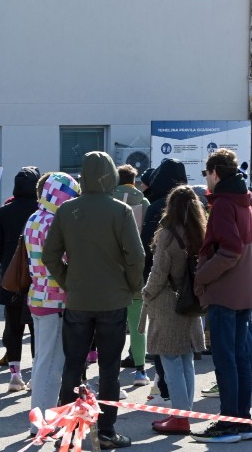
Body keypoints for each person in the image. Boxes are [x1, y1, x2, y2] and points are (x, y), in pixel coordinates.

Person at [42, 151, 145, 450]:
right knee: (110, 369)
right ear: (111, 175)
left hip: (78, 300)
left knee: (72, 366)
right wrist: (130, 286)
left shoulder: (66, 210)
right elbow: (136, 257)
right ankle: (107, 432)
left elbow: (49, 255)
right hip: (113, 300)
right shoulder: (121, 210)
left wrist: (67, 281)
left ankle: (70, 431)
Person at [191, 148, 252, 444]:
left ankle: (230, 423)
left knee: (226, 360)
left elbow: (229, 250)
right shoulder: (246, 202)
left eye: (206, 173)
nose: (205, 179)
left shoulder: (222, 204)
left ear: (215, 173)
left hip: (225, 292)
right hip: (244, 290)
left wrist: (200, 277)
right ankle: (242, 422)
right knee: (240, 359)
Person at [139, 185, 206, 435]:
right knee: (186, 358)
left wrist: (146, 293)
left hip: (168, 303)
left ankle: (179, 417)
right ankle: (186, 411)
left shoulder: (167, 235)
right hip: (191, 301)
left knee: (170, 360)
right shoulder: (199, 232)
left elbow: (158, 274)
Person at [25, 172, 80, 437]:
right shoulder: (55, 222)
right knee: (52, 365)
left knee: (41, 361)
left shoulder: (34, 218)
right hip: (55, 299)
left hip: (37, 295)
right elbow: (66, 258)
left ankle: (39, 418)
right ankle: (42, 422)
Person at [138, 159, 188, 405]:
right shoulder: (195, 206)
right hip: (190, 285)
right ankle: (183, 401)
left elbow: (149, 251)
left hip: (162, 288)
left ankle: (168, 395)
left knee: (163, 347)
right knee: (185, 351)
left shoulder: (157, 207)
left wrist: (147, 290)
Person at [0, 166, 40, 392]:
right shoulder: (42, 211)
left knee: (13, 327)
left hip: (11, 277)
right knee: (37, 328)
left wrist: (7, 264)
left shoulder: (5, 211)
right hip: (38, 277)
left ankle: (15, 375)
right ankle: (35, 375)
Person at [113, 164, 150, 387]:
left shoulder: (108, 199)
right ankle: (140, 371)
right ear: (133, 181)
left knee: (114, 322)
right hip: (135, 267)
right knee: (137, 321)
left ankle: (111, 369)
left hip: (111, 269)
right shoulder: (143, 202)